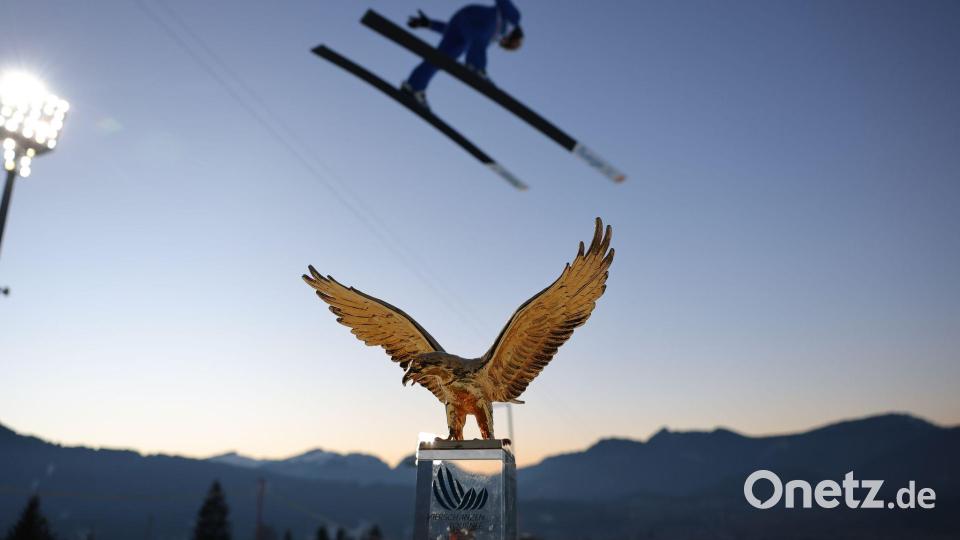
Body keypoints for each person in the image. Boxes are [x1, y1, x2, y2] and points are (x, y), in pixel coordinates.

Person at [400, 0, 523, 109]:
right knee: (481, 35)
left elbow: (449, 30)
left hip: (460, 22)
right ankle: (475, 67)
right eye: (510, 44)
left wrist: (428, 24)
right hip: (477, 17)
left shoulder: (489, 38)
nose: (503, 42)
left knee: (441, 58)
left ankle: (413, 87)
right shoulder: (514, 18)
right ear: (516, 37)